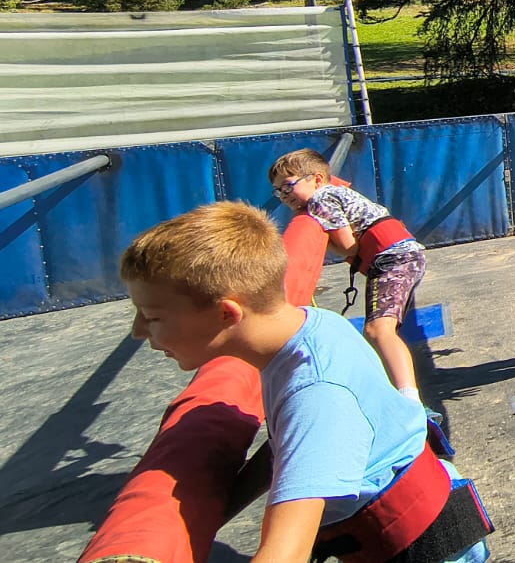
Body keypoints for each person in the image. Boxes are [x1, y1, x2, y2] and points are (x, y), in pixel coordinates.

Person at [120, 202, 491, 562]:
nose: (138, 331)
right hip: (425, 524)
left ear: (226, 314)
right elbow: (287, 447)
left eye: (151, 317)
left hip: (422, 548)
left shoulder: (316, 396)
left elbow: (286, 554)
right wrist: (210, 515)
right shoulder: (315, 326)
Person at [270, 148, 427, 402]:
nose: (284, 195)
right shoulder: (333, 192)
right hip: (403, 255)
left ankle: (409, 400)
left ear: (317, 179)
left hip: (393, 258)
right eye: (279, 191)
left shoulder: (321, 199)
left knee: (378, 329)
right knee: (380, 329)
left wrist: (324, 238)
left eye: (288, 186)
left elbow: (348, 247)